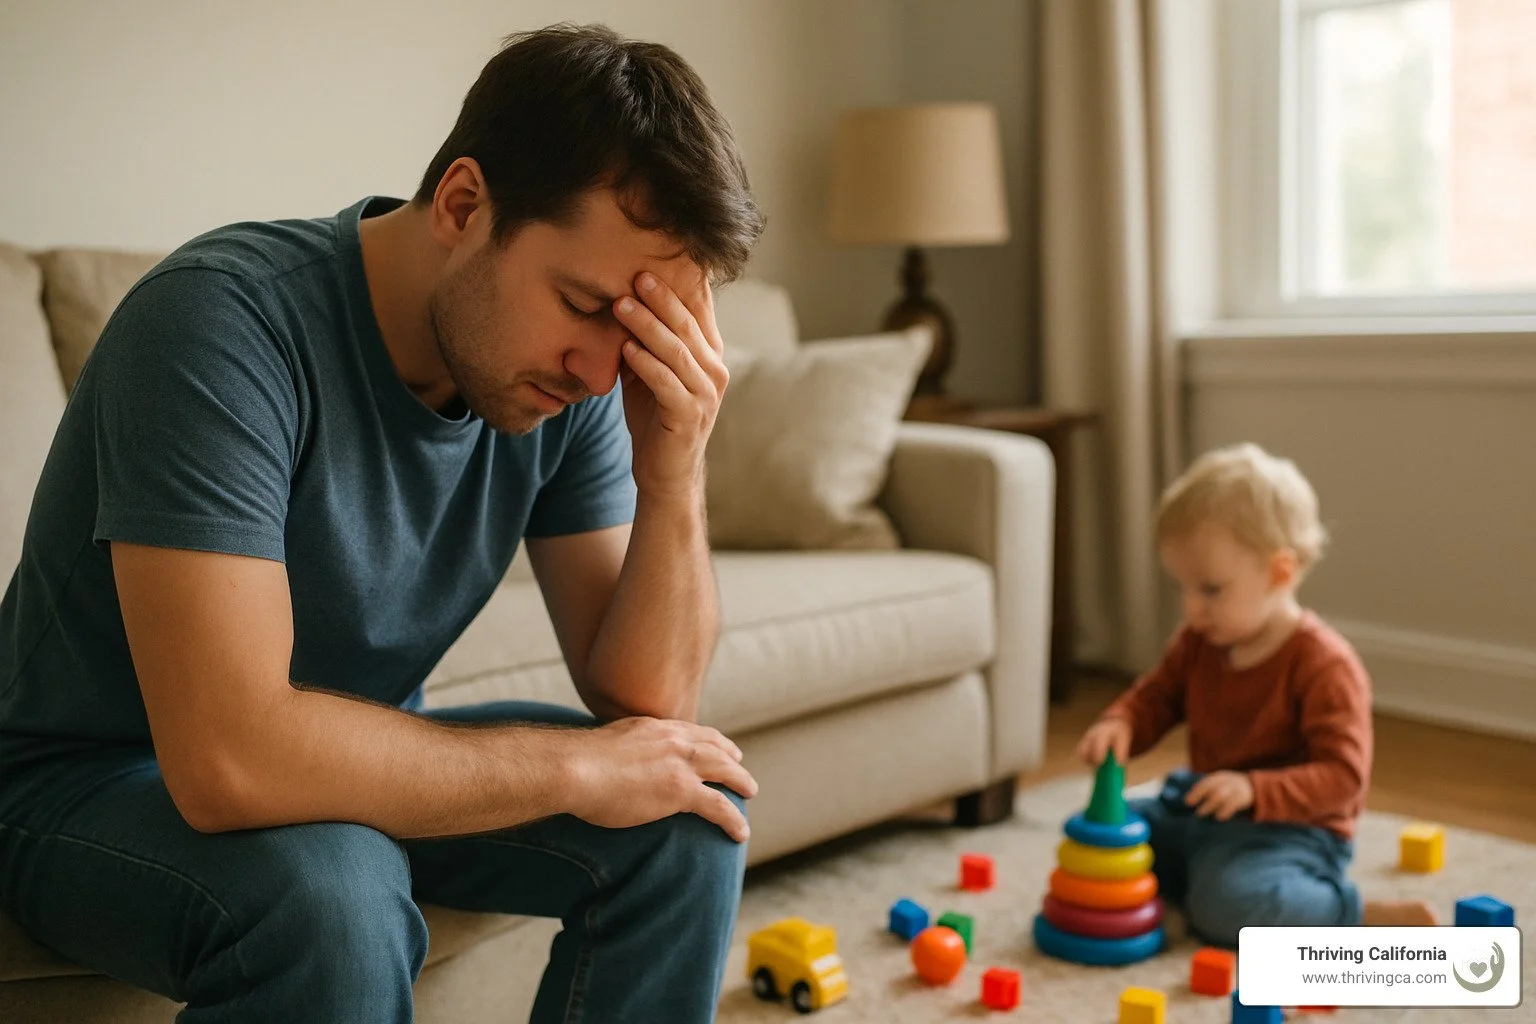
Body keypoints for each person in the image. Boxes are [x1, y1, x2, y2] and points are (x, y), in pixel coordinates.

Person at [0, 23, 765, 1023]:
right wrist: (571, 766)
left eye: (629, 331)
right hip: (81, 785)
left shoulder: (566, 383)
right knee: (336, 892)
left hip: (350, 760)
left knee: (687, 811)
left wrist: (675, 474)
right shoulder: (219, 326)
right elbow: (230, 759)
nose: (596, 370)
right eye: (581, 303)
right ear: (461, 203)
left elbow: (650, 701)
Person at [1076, 443, 1437, 948]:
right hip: (1203, 808)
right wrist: (1122, 723)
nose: (1191, 609)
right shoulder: (1199, 643)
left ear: (1279, 573)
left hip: (1290, 833)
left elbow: (1343, 778)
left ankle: (1355, 914)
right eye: (1181, 587)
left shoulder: (1324, 665)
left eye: (1210, 590)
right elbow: (1156, 696)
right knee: (1104, 835)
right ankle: (1196, 884)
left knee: (1229, 907)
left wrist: (1255, 790)